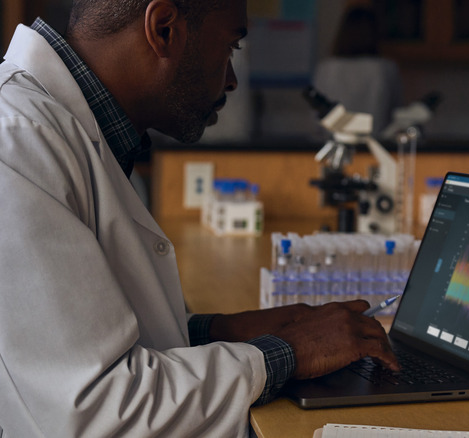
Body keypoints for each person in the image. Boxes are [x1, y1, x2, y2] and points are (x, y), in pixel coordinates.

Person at [0, 1, 398, 436]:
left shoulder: (67, 132)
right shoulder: (17, 143)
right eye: (231, 47)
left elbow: (95, 345)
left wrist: (221, 330)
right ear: (164, 29)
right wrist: (289, 352)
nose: (231, 79)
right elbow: (96, 410)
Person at [312, 6, 402, 137]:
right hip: (374, 143)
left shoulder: (326, 68)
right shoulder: (385, 68)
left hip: (335, 142)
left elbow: (316, 116)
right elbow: (396, 113)